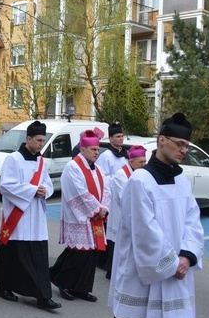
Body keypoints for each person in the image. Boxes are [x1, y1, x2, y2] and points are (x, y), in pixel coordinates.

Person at [102, 113, 209, 318]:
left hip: (176, 269)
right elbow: (144, 231)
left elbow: (193, 221)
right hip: (146, 275)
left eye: (186, 145)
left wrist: (188, 255)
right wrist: (171, 263)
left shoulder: (182, 182)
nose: (183, 150)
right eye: (179, 143)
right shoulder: (140, 181)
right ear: (161, 140)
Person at [0, 120, 61, 310]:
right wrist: (32, 190)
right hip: (18, 216)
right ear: (28, 139)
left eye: (43, 140)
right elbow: (6, 186)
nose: (41, 144)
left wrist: (44, 191)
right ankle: (3, 286)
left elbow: (47, 183)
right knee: (13, 254)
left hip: (36, 215)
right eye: (38, 140)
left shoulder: (41, 161)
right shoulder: (13, 159)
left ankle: (42, 296)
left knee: (37, 256)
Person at [50, 130, 110, 302]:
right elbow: (79, 192)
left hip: (95, 215)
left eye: (97, 150)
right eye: (92, 149)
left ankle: (81, 288)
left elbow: (106, 189)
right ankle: (63, 282)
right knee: (78, 253)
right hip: (78, 216)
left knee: (91, 254)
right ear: (83, 150)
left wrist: (104, 206)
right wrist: (96, 209)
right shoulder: (73, 167)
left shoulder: (98, 168)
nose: (96, 153)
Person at [103, 145, 147, 279]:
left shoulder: (141, 173)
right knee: (117, 245)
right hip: (121, 216)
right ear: (131, 161)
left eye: (145, 162)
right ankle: (112, 272)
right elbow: (124, 197)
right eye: (141, 162)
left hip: (134, 215)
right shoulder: (120, 175)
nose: (144, 165)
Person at [95, 122, 129, 271]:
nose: (121, 139)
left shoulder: (124, 155)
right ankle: (102, 259)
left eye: (122, 136)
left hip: (122, 192)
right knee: (109, 228)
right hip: (111, 194)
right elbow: (102, 176)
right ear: (111, 139)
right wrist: (117, 179)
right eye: (118, 136)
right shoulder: (106, 156)